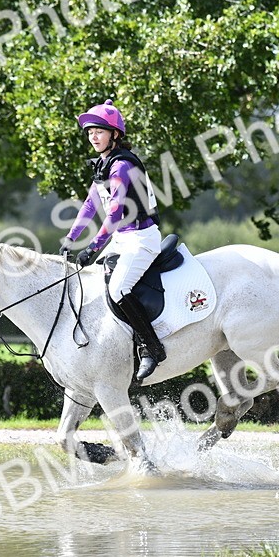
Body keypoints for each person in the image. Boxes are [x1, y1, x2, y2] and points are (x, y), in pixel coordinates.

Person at [61, 100, 166, 381]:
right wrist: (71, 238)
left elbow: (116, 212)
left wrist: (92, 247)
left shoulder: (121, 166)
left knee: (119, 288)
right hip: (122, 237)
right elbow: (90, 205)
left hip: (141, 239)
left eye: (99, 131)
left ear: (115, 134)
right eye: (90, 132)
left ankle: (151, 348)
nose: (93, 137)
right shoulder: (104, 165)